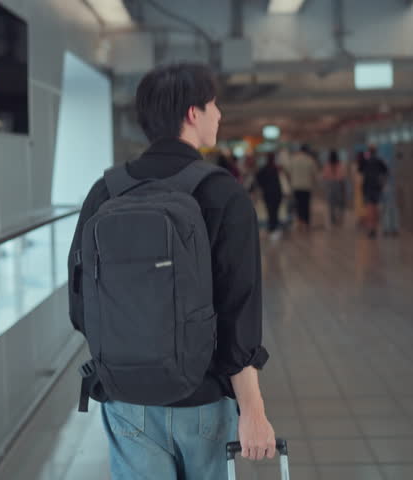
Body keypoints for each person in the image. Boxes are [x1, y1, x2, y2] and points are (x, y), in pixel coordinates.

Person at [67, 63, 275, 479]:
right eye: (214, 105)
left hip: (126, 400)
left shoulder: (105, 191)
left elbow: (80, 302)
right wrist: (253, 410)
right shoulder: (223, 193)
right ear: (193, 114)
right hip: (202, 399)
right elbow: (239, 313)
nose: (219, 115)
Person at [283, 144, 318, 229]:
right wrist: (313, 182)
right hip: (307, 186)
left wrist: (291, 181)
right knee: (306, 204)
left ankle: (300, 221)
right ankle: (306, 222)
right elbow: (314, 174)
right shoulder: (310, 160)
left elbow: (287, 172)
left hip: (296, 186)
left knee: (298, 204)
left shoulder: (293, 159)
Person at [359, 146, 389, 238]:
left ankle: (371, 229)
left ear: (369, 152)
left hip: (367, 187)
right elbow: (386, 172)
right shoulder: (379, 161)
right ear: (376, 152)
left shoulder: (365, 161)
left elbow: (360, 171)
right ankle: (375, 228)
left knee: (369, 209)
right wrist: (383, 183)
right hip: (377, 187)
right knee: (375, 208)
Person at [254, 152, 285, 235]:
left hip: (268, 193)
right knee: (275, 210)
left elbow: (258, 178)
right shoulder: (276, 169)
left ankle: (272, 226)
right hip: (277, 193)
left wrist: (263, 186)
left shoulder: (265, 169)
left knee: (270, 210)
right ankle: (274, 225)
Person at [322, 150, 346, 226]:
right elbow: (343, 176)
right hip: (338, 184)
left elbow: (324, 176)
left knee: (331, 203)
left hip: (330, 184)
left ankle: (333, 219)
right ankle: (340, 218)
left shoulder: (327, 165)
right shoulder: (340, 165)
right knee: (340, 202)